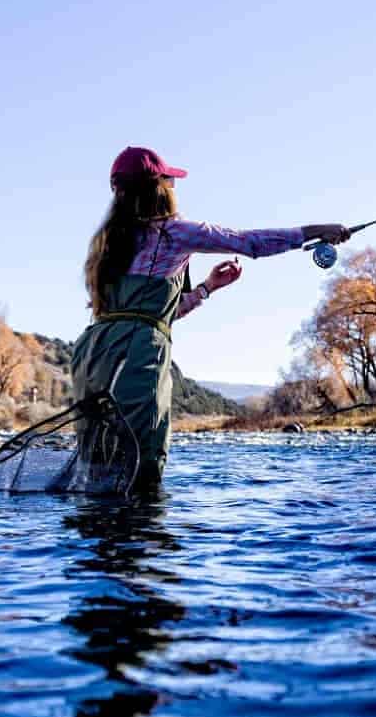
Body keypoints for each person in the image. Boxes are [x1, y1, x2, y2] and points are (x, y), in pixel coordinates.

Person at [68, 146, 348, 491]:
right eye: (170, 180)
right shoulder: (173, 232)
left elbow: (144, 315)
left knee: (97, 461)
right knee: (141, 458)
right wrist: (316, 231)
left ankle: (98, 537)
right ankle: (139, 540)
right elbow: (247, 242)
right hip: (138, 353)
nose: (174, 186)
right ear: (159, 187)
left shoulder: (105, 244)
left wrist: (206, 288)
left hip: (92, 355)